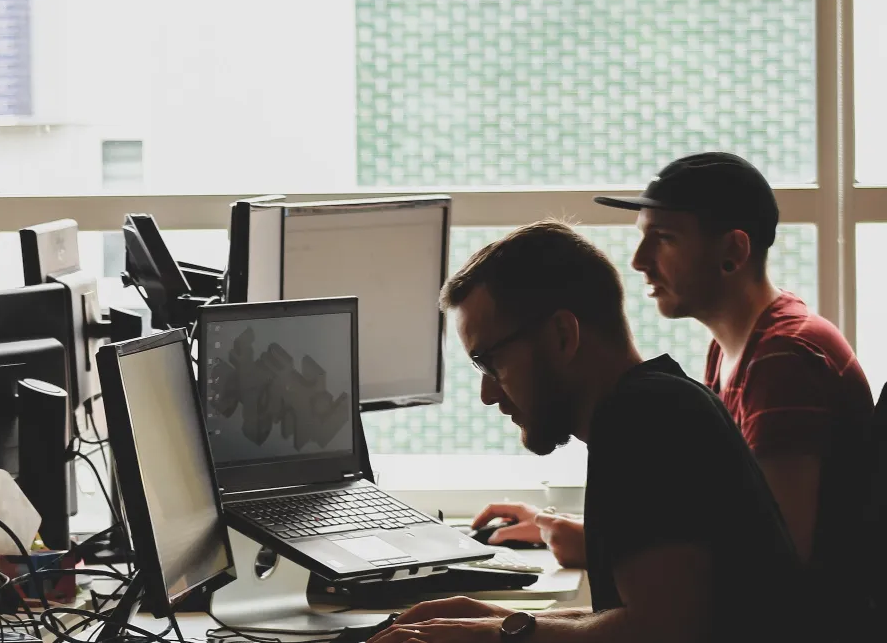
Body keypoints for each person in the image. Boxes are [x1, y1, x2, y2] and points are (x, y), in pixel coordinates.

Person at [370, 221, 801, 643]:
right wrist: (501, 618)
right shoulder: (659, 403)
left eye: (490, 363)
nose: (486, 394)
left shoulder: (644, 420)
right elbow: (644, 616)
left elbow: (662, 633)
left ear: (562, 335)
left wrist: (500, 634)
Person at [476, 153, 876, 604]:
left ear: (733, 253)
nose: (639, 261)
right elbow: (725, 526)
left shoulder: (783, 359)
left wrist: (594, 544)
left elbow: (777, 558)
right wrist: (571, 530)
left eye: (663, 239)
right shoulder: (733, 349)